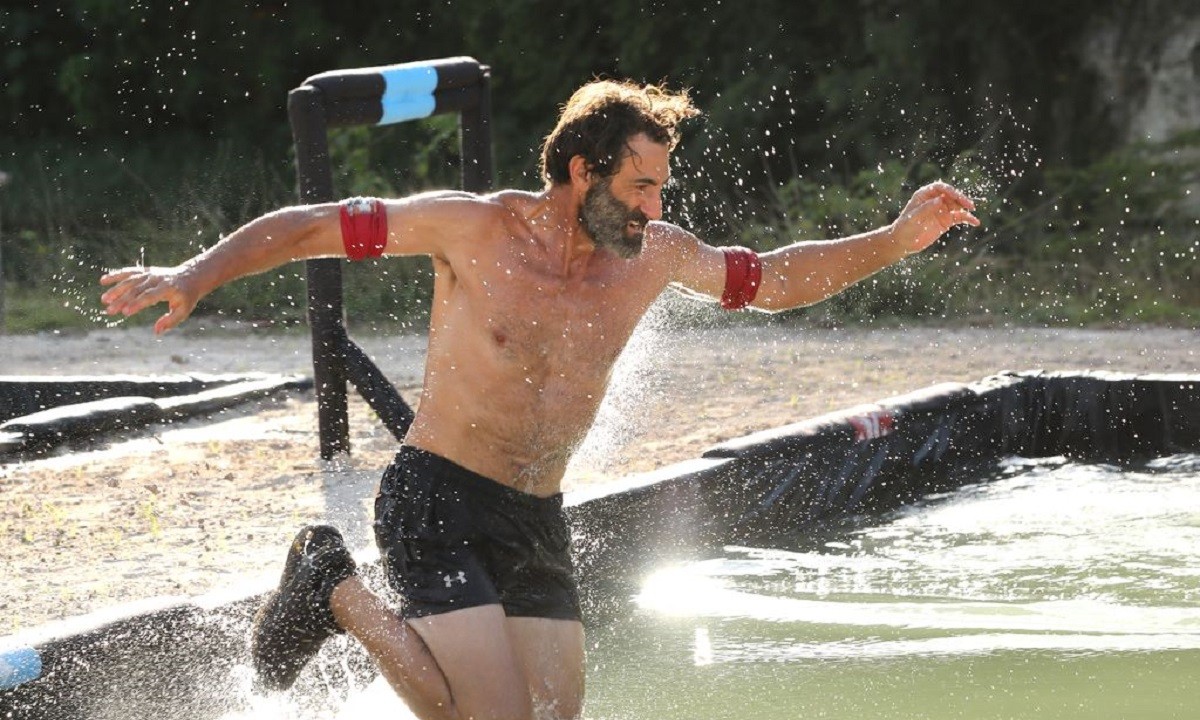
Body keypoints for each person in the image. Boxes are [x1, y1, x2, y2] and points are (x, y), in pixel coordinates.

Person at [99, 79, 979, 719]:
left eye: (661, 189)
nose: (653, 207)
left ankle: (333, 588)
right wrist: (195, 272)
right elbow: (312, 226)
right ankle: (334, 585)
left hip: (535, 514)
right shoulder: (474, 227)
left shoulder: (655, 255)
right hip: (437, 496)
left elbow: (773, 280)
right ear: (583, 170)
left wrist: (895, 240)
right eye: (640, 186)